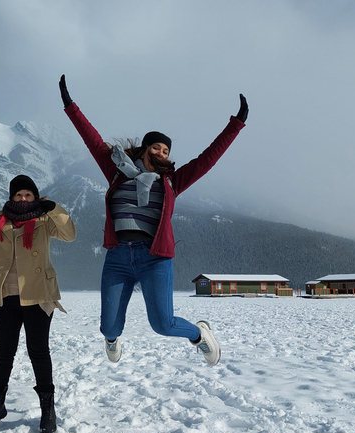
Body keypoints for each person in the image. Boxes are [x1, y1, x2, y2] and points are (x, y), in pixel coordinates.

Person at [59, 75, 248, 366]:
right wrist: (70, 105)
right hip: (118, 257)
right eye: (157, 148)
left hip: (154, 258)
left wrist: (235, 124)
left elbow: (208, 159)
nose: (161, 153)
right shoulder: (116, 171)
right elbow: (92, 140)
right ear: (145, 149)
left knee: (163, 324)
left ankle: (198, 335)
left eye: (166, 151)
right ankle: (112, 340)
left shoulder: (171, 181)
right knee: (108, 328)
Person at [0, 175, 76, 433]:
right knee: (3, 352)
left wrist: (55, 210)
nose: (23, 199)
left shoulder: (45, 221)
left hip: (38, 294)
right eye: (18, 195)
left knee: (39, 351)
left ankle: (48, 409)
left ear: (35, 197)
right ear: (11, 197)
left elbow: (69, 234)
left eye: (28, 194)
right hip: (5, 294)